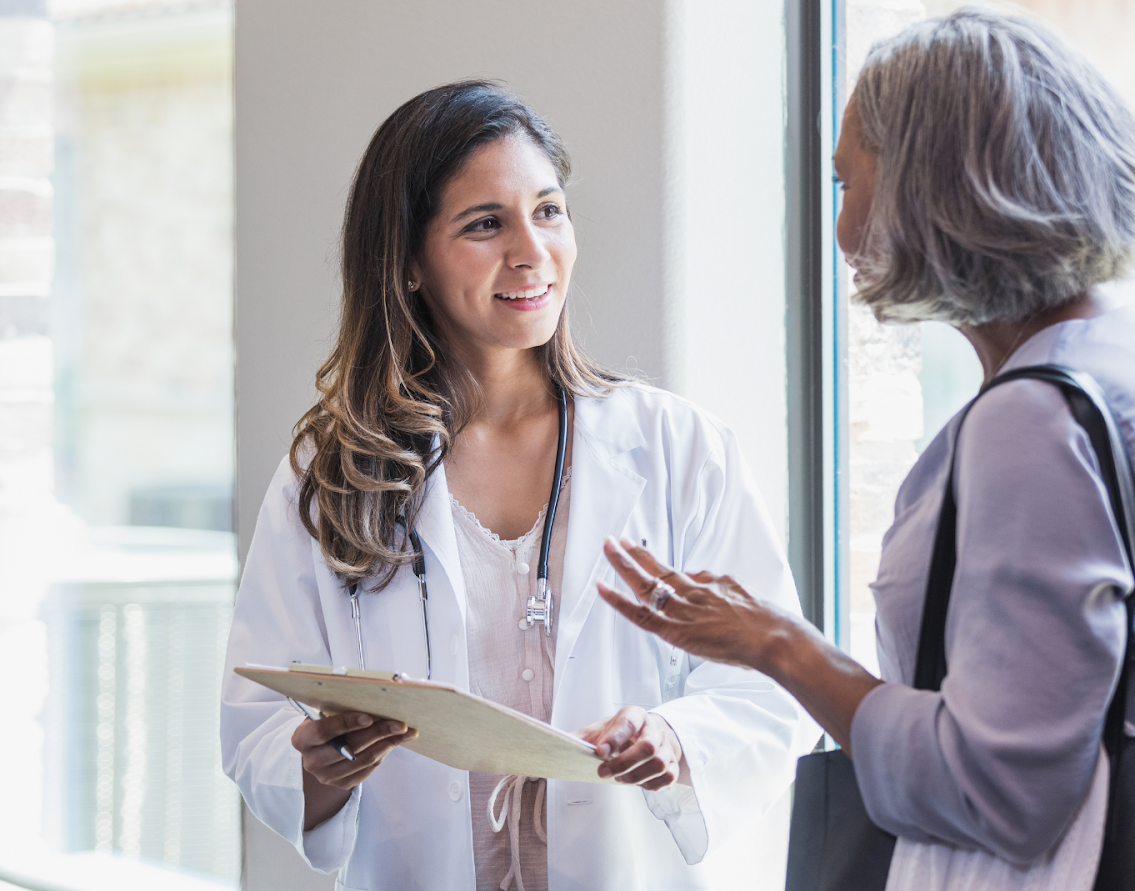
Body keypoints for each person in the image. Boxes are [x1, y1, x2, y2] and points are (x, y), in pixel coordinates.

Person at [597, 5, 1135, 889]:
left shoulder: (1034, 421)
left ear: (932, 184)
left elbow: (1002, 793)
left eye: (847, 183)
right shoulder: (1129, 361)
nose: (841, 232)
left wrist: (780, 647)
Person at [220, 81, 811, 891]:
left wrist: (675, 738)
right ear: (409, 262)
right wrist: (320, 767)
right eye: (485, 224)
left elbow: (770, 689)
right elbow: (256, 723)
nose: (531, 251)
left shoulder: (680, 451)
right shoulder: (332, 473)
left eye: (549, 210)